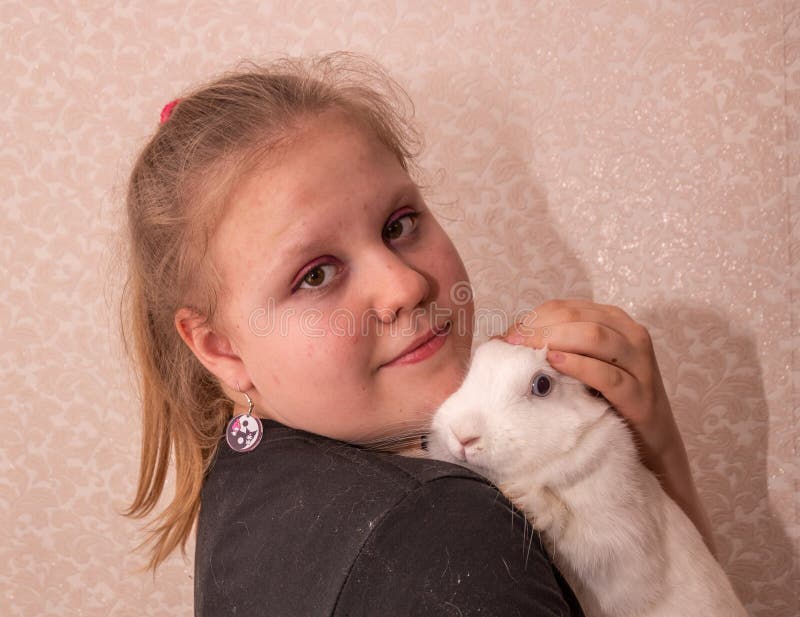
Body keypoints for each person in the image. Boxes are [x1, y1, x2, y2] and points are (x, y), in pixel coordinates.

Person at [120, 52, 714, 616]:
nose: (404, 285)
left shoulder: (249, 482)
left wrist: (653, 478)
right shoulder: (438, 530)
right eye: (316, 274)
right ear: (220, 347)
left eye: (399, 225)